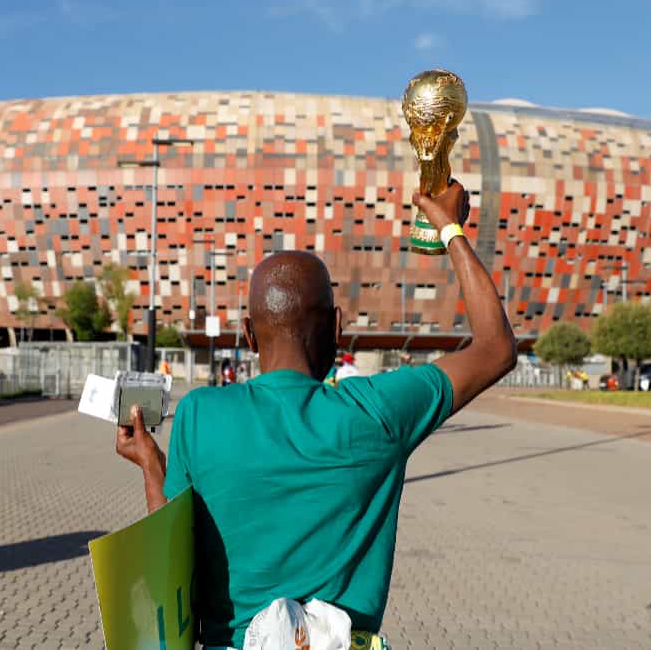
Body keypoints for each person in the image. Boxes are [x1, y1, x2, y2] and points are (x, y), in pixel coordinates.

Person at [115, 181, 517, 649]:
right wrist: (448, 227)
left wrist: (151, 464)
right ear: (337, 327)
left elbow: (169, 559)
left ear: (248, 334)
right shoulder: (377, 411)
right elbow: (496, 348)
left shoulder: (200, 414)